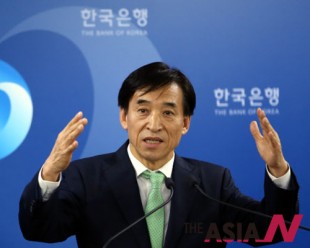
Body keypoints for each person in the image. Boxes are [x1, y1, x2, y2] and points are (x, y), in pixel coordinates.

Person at [19, 62, 299, 248]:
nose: (154, 124)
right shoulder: (86, 177)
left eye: (168, 112)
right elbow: (39, 230)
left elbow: (275, 230)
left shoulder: (212, 183)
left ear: (185, 123)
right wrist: (50, 173)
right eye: (142, 110)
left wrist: (278, 170)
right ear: (124, 117)